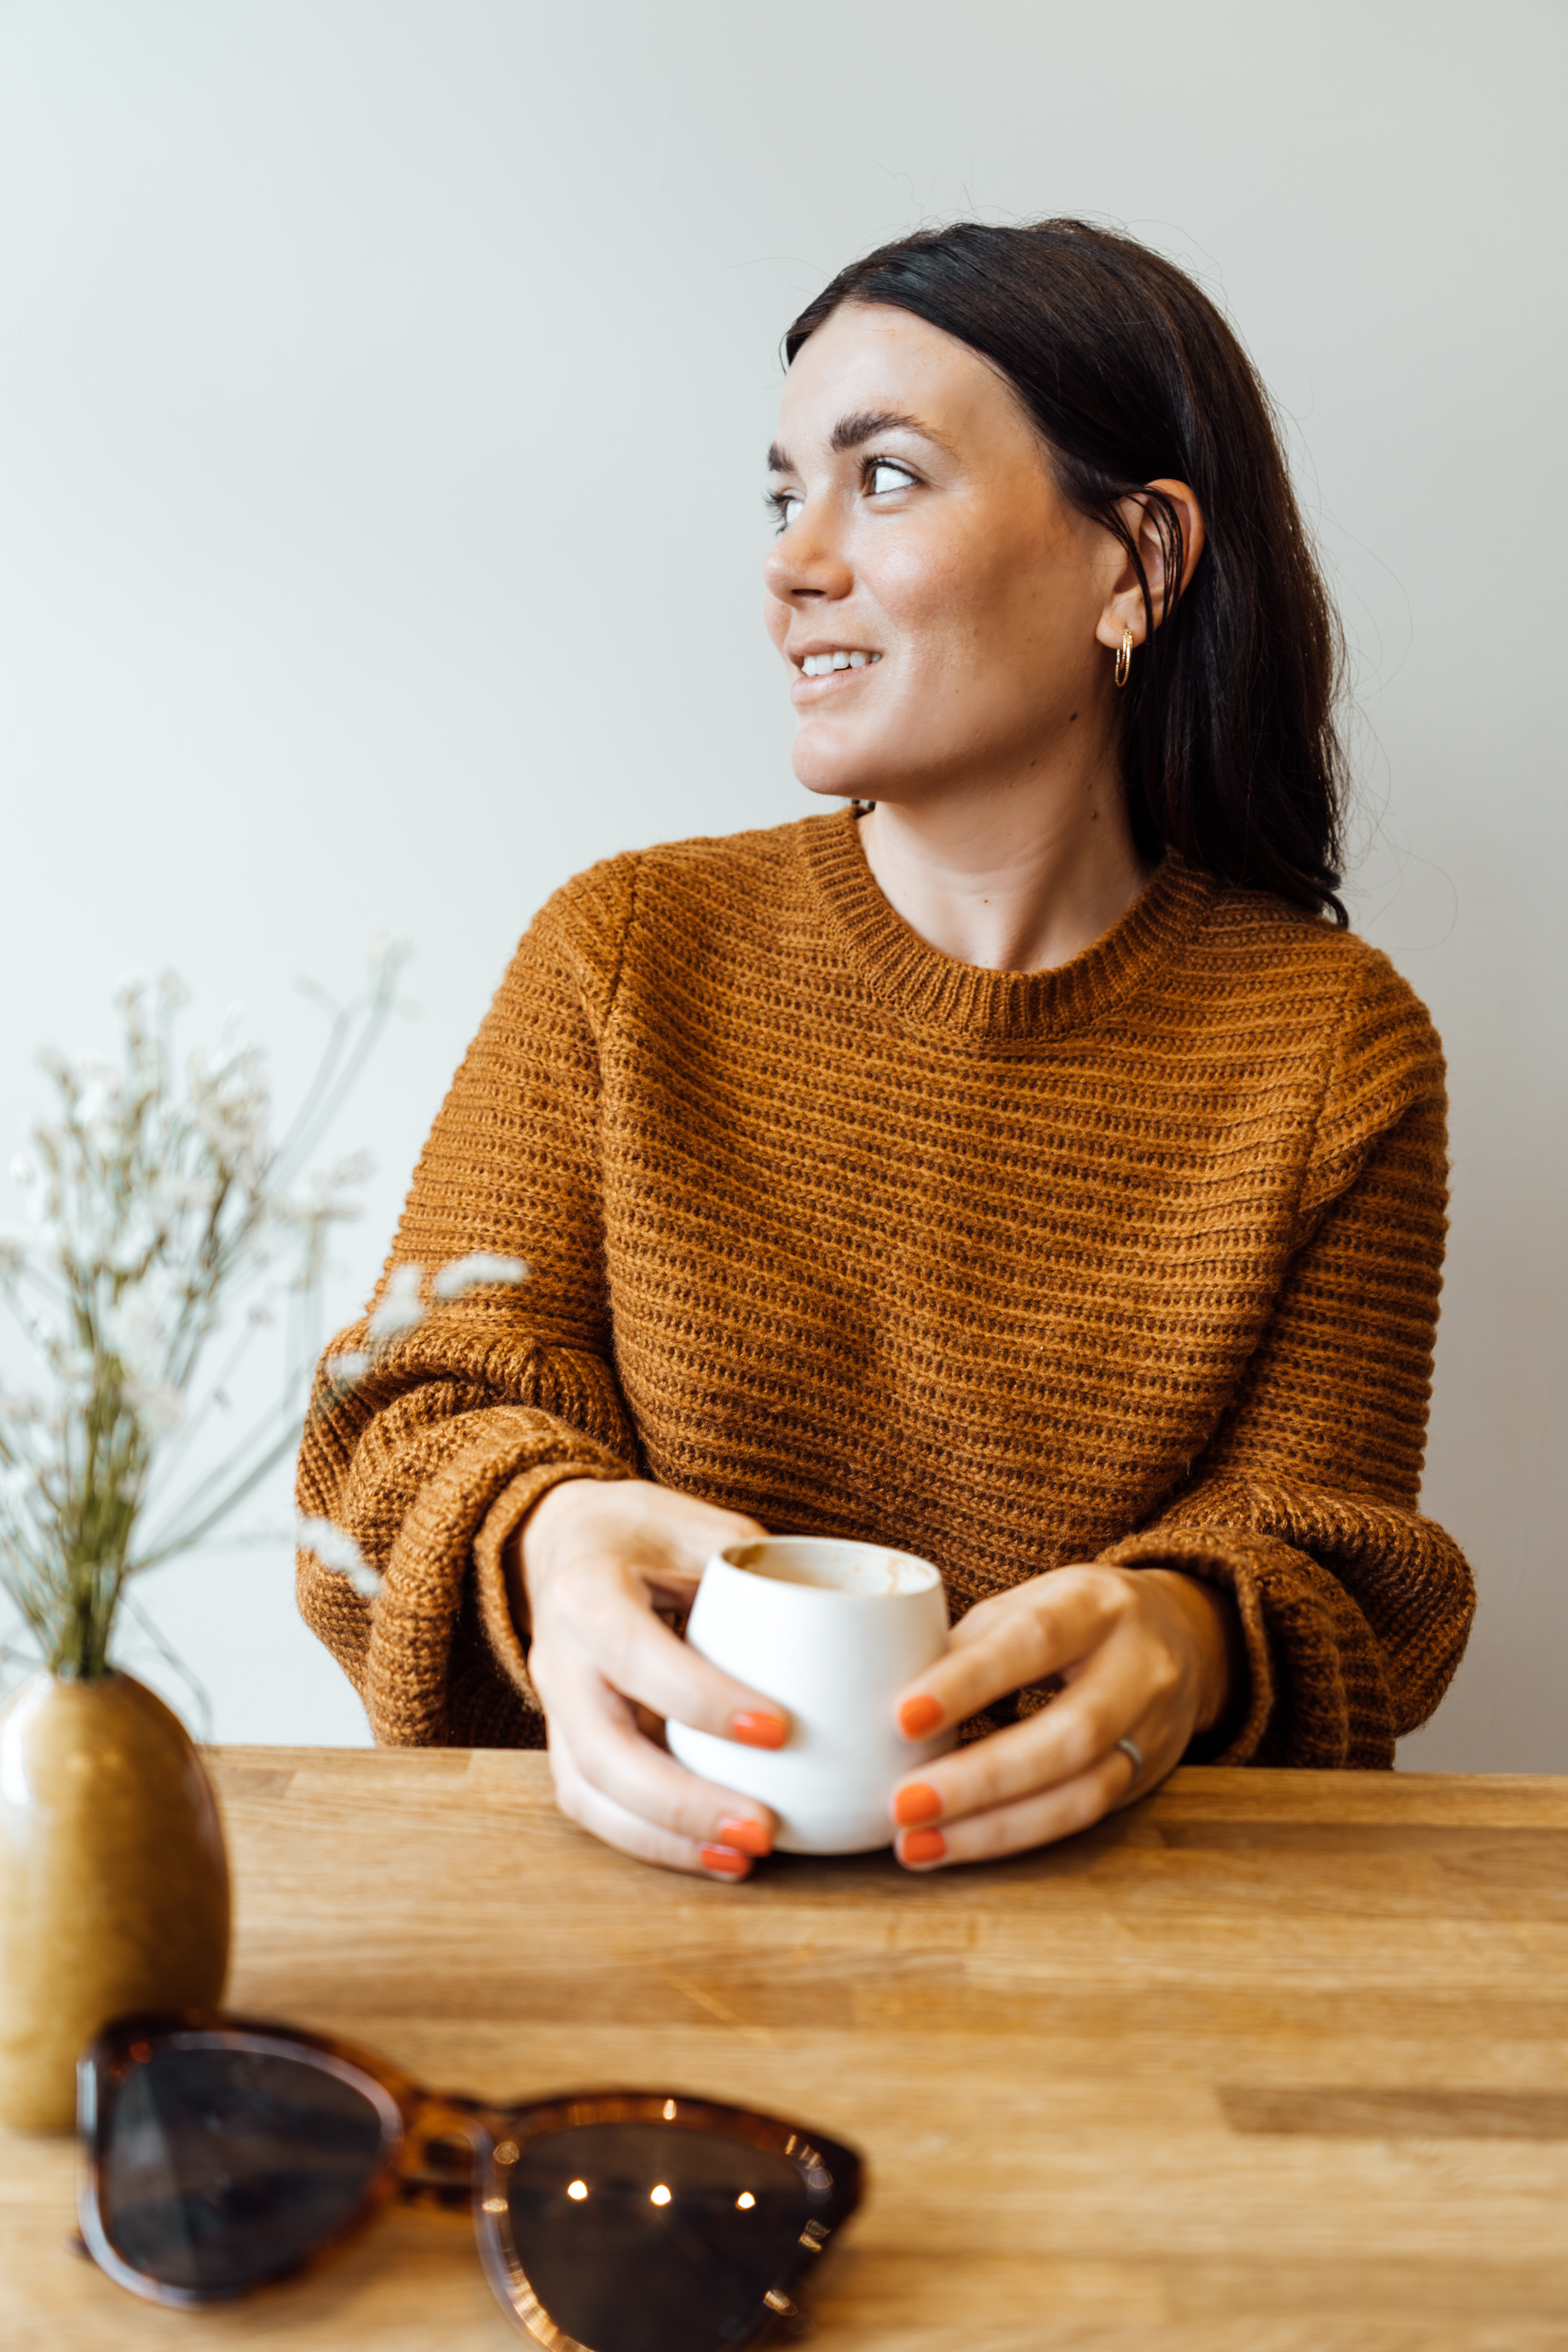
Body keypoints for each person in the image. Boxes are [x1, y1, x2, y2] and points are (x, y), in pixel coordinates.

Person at [298, 220, 1473, 1881]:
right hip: (615, 1920)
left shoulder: (1333, 1052)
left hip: (1100, 1967)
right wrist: (538, 1532)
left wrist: (1194, 1635)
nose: (792, 560)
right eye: (785, 494)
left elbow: (1325, 1570)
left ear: (1135, 561)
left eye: (888, 480)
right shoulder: (626, 953)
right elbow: (392, 1430)